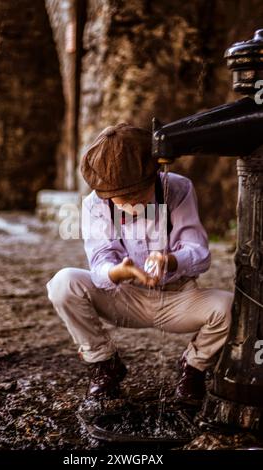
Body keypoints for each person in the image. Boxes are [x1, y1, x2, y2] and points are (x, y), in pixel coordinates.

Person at [46, 122, 234, 405]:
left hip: (176, 298)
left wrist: (170, 261)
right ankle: (104, 364)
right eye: (116, 199)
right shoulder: (94, 204)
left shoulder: (178, 189)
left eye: (134, 196)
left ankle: (193, 368)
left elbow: (200, 253)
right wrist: (117, 273)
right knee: (63, 283)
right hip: (124, 297)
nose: (126, 205)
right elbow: (99, 260)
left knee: (228, 308)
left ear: (154, 175)